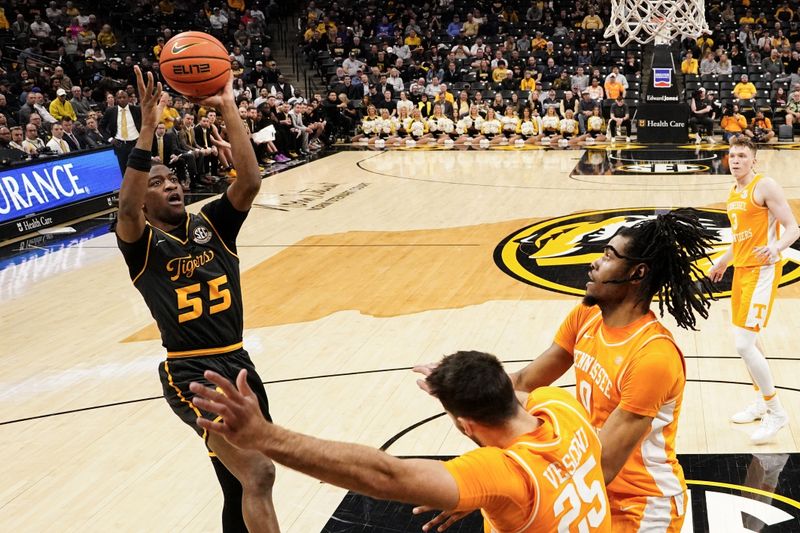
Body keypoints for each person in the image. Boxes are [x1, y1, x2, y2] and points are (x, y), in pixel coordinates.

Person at [189, 351, 612, 533]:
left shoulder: (506, 476)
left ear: (465, 425)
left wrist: (266, 436)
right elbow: (509, 395)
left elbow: (384, 473)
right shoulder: (562, 408)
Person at [115, 66, 279, 533]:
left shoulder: (213, 223)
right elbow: (125, 209)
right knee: (259, 472)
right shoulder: (140, 243)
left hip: (238, 362)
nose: (169, 184)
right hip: (192, 370)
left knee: (241, 483)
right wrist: (147, 127)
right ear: (142, 202)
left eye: (172, 179)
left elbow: (249, 181)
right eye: (156, 181)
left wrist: (228, 107)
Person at [708, 136, 800, 443]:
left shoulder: (764, 186)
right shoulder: (733, 193)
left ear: (753, 160)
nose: (735, 160)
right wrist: (722, 262)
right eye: (732, 155)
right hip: (742, 271)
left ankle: (776, 412)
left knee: (744, 345)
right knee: (748, 341)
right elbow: (739, 240)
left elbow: (792, 228)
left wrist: (776, 247)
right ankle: (761, 401)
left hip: (763, 272)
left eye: (742, 156)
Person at [101, 89, 141, 171]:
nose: (122, 99)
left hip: (136, 144)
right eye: (119, 97)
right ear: (116, 99)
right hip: (120, 145)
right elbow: (101, 127)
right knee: (124, 170)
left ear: (128, 98)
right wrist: (110, 139)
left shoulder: (137, 109)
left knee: (138, 169)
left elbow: (145, 124)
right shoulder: (110, 111)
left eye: (124, 97)